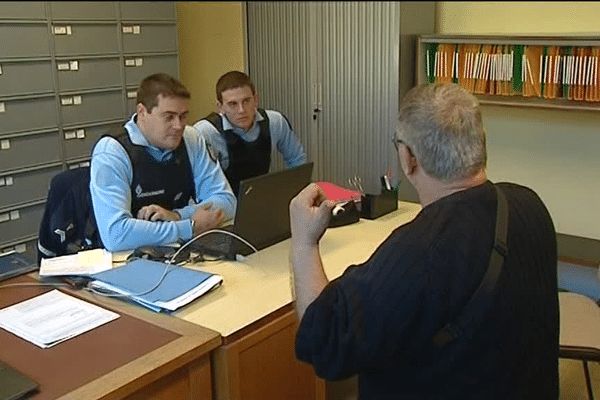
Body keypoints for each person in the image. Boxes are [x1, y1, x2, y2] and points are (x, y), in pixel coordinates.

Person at [289, 83, 558, 399]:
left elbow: (326, 344)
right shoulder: (529, 204)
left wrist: (304, 243)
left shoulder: (422, 250)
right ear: (480, 143)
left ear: (408, 157)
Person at [90, 73, 236, 252]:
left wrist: (177, 216)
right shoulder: (112, 151)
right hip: (123, 259)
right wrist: (189, 227)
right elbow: (116, 235)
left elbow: (227, 201)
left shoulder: (191, 138)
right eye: (169, 117)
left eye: (183, 116)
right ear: (143, 112)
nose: (179, 126)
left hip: (176, 251)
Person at [193, 70, 307, 195]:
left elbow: (297, 160)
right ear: (220, 107)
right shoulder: (205, 133)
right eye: (233, 104)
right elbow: (199, 185)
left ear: (256, 100)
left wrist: (299, 196)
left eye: (246, 101)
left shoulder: (275, 122)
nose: (241, 110)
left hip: (261, 199)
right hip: (222, 204)